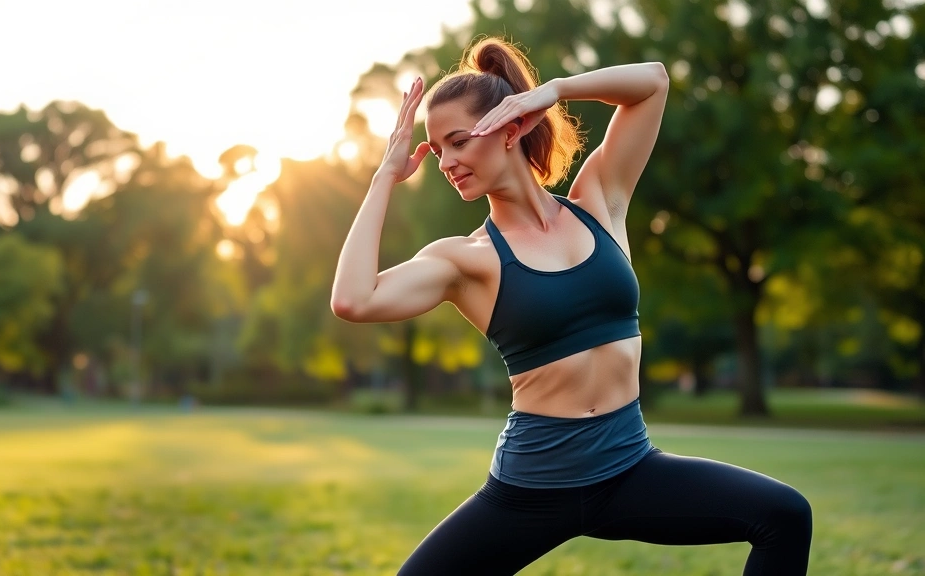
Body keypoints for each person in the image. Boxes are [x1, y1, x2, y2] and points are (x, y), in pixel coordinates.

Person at [330, 36, 812, 576]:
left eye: (458, 141)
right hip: (531, 488)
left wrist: (553, 92)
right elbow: (353, 299)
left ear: (511, 128)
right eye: (438, 149)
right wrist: (383, 178)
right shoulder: (466, 260)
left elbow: (653, 81)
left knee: (784, 516)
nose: (446, 161)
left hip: (629, 470)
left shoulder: (598, 204)